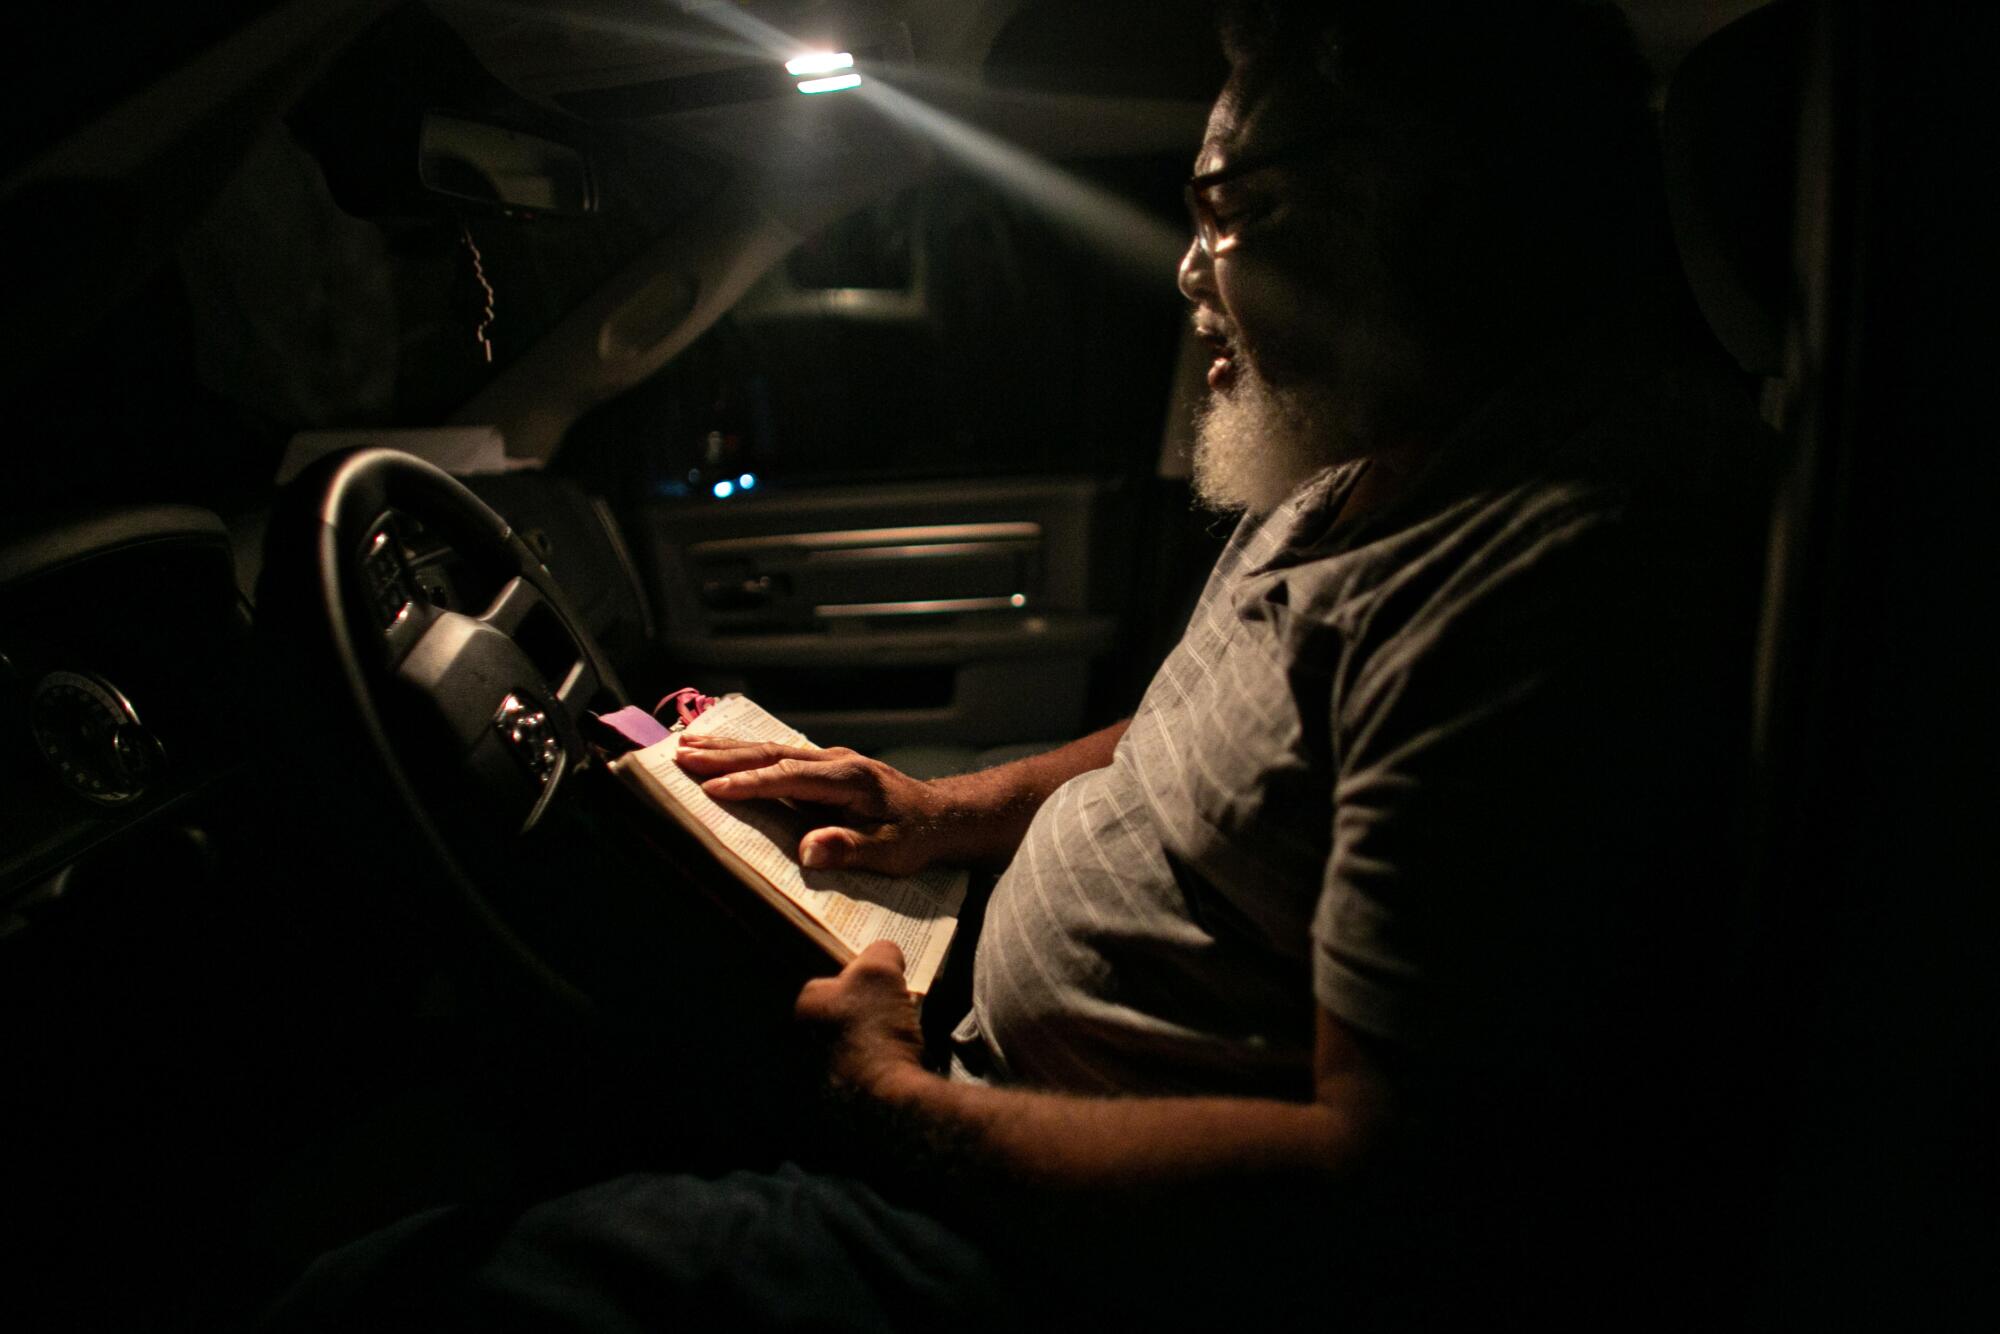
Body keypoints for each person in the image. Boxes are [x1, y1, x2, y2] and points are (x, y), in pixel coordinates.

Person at [267, 2, 1769, 1329]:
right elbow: (1201, 737)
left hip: (1043, 1245)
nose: (1189, 273)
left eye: (1222, 207)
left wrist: (898, 1110)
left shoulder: (1540, 574)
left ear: (1408, 201)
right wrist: (946, 808)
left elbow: (1375, 1189)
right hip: (962, 1054)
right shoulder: (1368, 460)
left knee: (390, 1293)